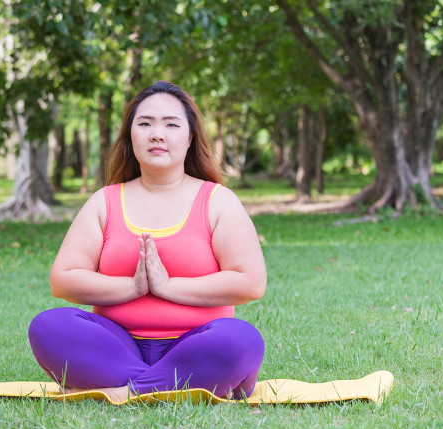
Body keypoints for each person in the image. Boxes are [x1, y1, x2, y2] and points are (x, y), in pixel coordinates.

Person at [28, 81, 267, 403]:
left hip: (199, 342)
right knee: (48, 326)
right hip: (116, 346)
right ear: (130, 136)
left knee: (241, 340)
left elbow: (250, 283)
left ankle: (123, 392)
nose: (157, 134)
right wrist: (133, 287)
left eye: (171, 124)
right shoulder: (105, 202)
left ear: (190, 137)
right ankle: (175, 384)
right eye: (145, 124)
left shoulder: (218, 201)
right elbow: (63, 280)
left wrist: (167, 287)